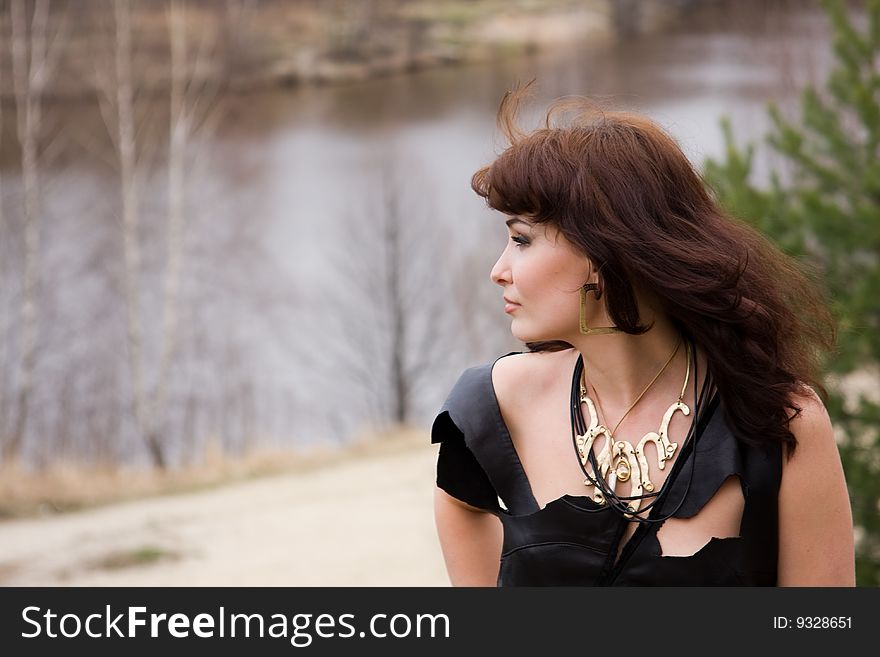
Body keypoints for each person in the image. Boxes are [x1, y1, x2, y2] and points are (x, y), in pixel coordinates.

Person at [431, 83, 856, 587]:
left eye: (522, 240)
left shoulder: (779, 420)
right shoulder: (489, 410)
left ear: (604, 253)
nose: (499, 270)